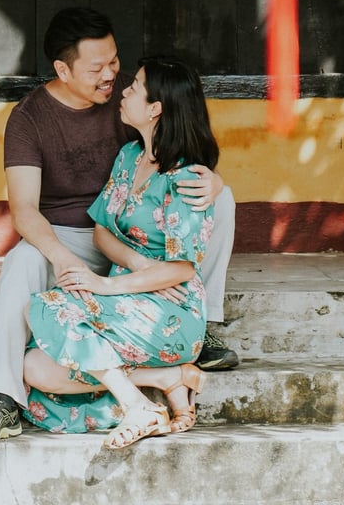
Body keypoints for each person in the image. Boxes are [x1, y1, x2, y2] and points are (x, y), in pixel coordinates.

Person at [0, 7, 237, 444]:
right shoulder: (29, 119)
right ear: (63, 70)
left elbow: (175, 142)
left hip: (133, 233)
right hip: (72, 236)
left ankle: (202, 325)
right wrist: (63, 259)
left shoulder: (128, 97)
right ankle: (2, 398)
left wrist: (213, 180)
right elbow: (24, 210)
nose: (111, 76)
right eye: (96, 68)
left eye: (114, 61)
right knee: (21, 263)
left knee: (223, 200)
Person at [22, 55, 218, 449]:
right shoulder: (129, 156)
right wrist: (137, 264)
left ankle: (136, 405)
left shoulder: (186, 178)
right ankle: (163, 379)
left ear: (155, 108)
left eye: (135, 88)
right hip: (125, 298)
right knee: (35, 366)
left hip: (170, 311)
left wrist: (104, 286)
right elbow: (101, 234)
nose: (123, 92)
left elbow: (181, 269)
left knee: (48, 308)